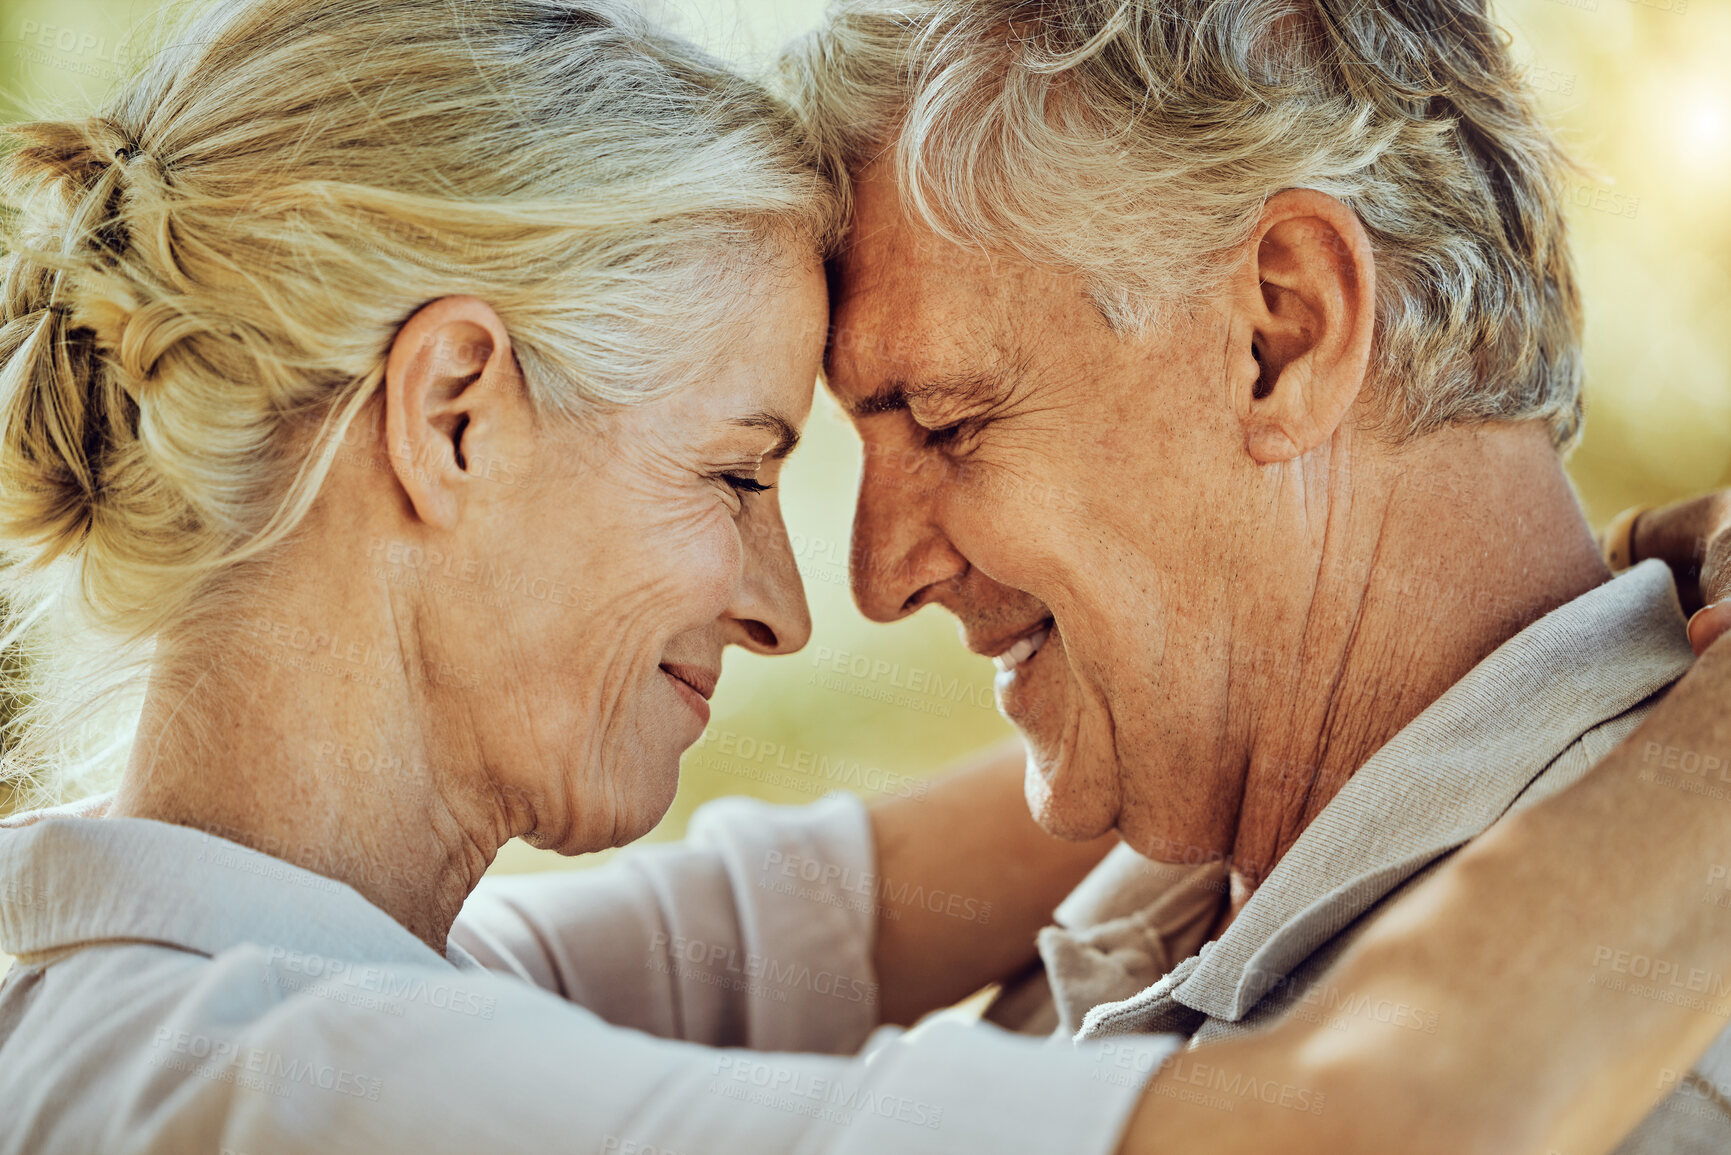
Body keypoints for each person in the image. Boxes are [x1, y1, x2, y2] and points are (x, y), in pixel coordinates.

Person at [1, 2, 1729, 1154]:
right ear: (449, 417)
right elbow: (1391, 1119)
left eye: (949, 421)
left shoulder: (240, 970)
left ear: (1282, 334)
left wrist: (1623, 586)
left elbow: (834, 902)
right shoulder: (303, 1078)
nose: (840, 590)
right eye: (740, 469)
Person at [778, 0, 1731, 1147]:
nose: (879, 578)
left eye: (947, 422)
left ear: (1282, 338)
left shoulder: (1659, 1078)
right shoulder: (1152, 913)